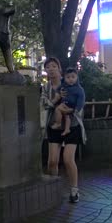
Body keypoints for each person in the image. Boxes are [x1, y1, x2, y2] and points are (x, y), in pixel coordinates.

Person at [40, 57, 86, 203]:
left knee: (67, 159)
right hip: (54, 127)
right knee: (52, 161)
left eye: (54, 66)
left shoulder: (70, 82)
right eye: (48, 67)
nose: (51, 69)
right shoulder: (45, 88)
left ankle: (74, 190)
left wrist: (72, 110)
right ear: (45, 70)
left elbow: (80, 104)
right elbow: (43, 106)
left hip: (72, 126)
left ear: (59, 68)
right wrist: (55, 99)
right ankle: (53, 189)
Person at [50, 68, 85, 136]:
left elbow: (81, 100)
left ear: (77, 78)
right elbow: (58, 89)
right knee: (66, 116)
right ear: (64, 78)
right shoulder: (64, 85)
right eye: (68, 77)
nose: (70, 79)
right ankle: (67, 129)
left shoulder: (79, 89)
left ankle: (58, 123)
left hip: (72, 106)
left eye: (73, 77)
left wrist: (77, 109)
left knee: (58, 109)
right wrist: (58, 93)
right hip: (64, 104)